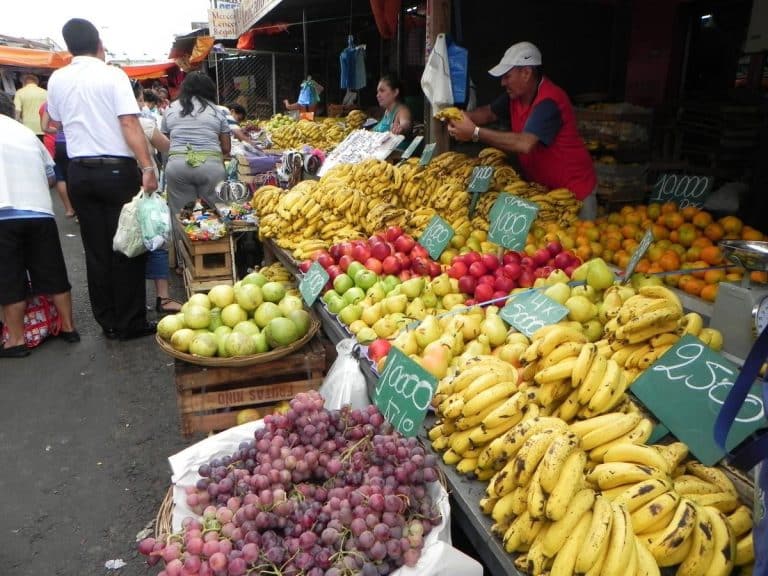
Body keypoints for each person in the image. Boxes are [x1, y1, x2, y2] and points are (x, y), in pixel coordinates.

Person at [47, 18, 158, 340]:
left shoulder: (57, 79)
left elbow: (52, 122)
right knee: (127, 245)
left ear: (68, 47)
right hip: (115, 170)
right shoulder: (112, 74)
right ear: (99, 43)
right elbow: (128, 123)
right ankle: (130, 322)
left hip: (79, 171)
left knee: (95, 249)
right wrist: (148, 168)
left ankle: (107, 321)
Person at [448, 42, 597, 220]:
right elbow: (487, 114)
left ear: (526, 73)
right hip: (544, 192)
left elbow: (525, 144)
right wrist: (457, 117)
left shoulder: (549, 101)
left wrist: (475, 132)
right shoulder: (515, 96)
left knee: (578, 245)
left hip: (574, 193)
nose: (503, 83)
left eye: (507, 76)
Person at [0, 92, 79, 357]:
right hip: (39, 211)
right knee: (52, 270)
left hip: (3, 215)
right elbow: (50, 175)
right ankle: (68, 327)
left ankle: (16, 341)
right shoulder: (24, 134)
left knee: (9, 278)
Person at [132, 81, 180, 315]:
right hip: (146, 187)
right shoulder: (143, 123)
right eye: (141, 98)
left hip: (118, 188)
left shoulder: (100, 126)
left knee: (127, 242)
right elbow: (166, 146)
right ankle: (163, 298)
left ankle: (131, 303)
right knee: (157, 239)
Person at [161, 71, 231, 219]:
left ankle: (182, 242)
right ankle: (216, 240)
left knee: (181, 216)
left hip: (177, 167)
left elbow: (164, 144)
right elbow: (226, 148)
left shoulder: (170, 110)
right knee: (216, 213)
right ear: (210, 90)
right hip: (211, 168)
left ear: (184, 88)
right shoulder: (218, 112)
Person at [39, 103, 75, 217]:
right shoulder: (75, 97)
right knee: (77, 175)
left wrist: (58, 131)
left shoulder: (50, 104)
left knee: (61, 177)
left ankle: (69, 209)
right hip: (76, 141)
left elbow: (44, 127)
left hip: (60, 143)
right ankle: (81, 211)